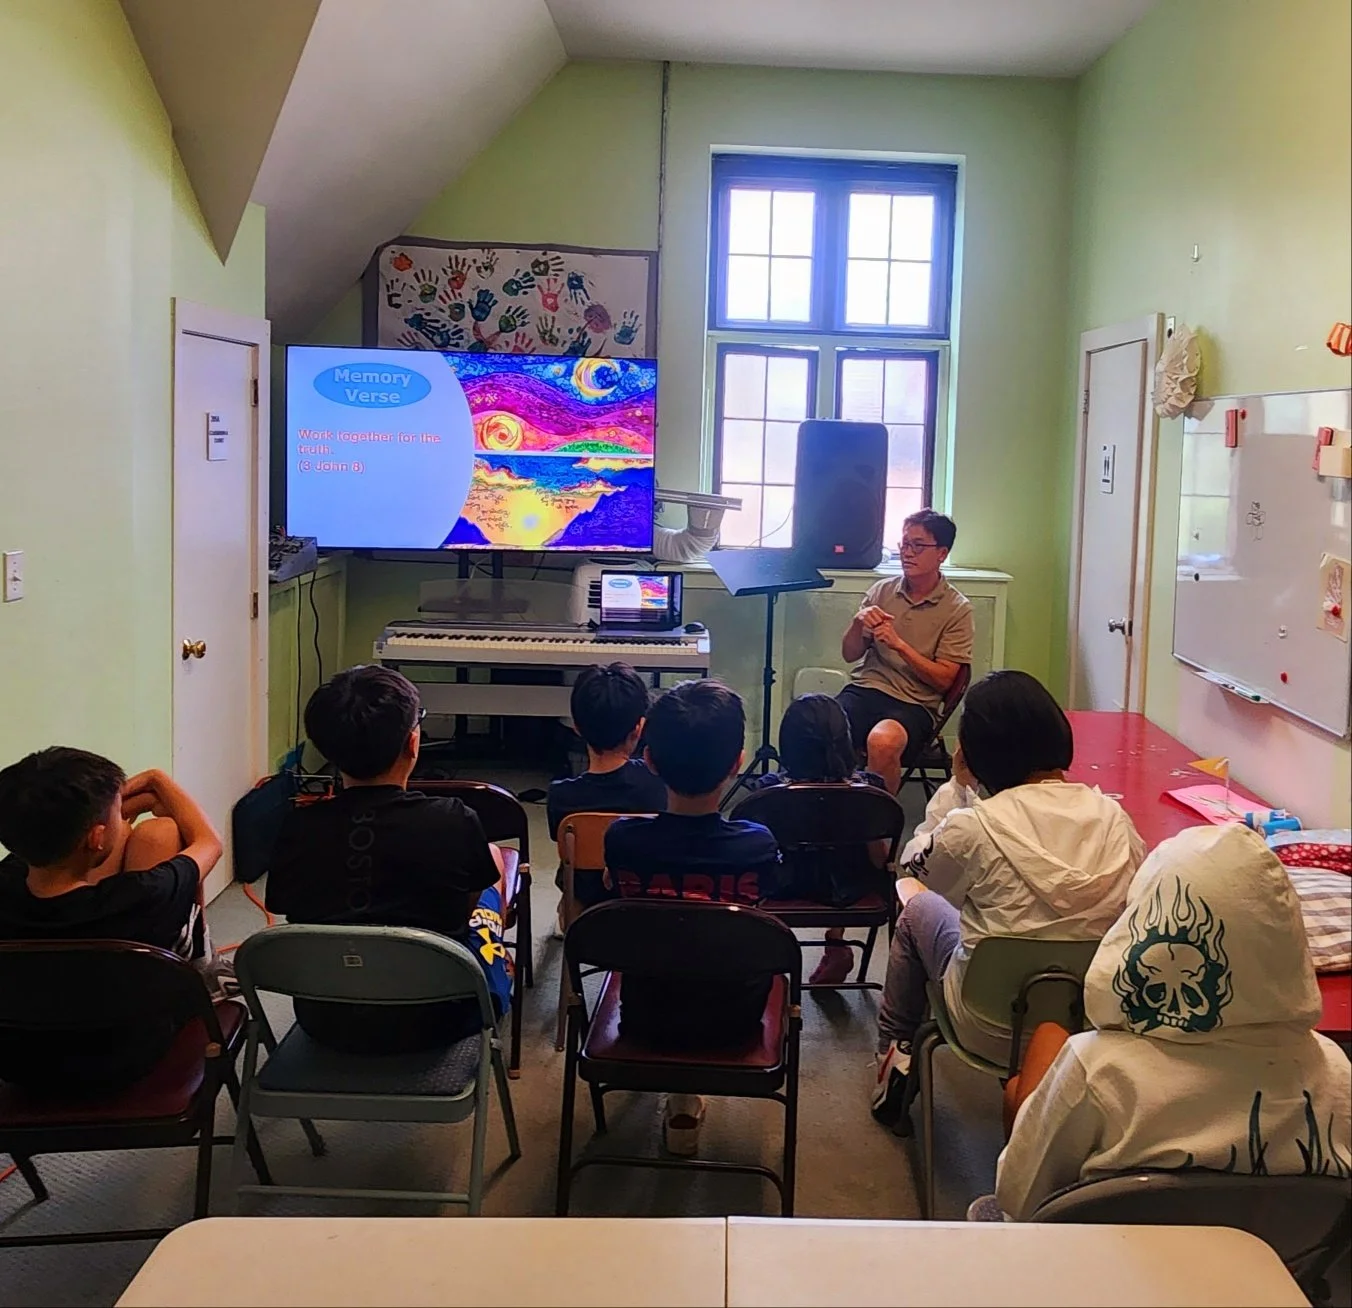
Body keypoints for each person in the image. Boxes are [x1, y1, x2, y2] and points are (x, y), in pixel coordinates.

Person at [992, 823, 1352, 1220]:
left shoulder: (1097, 1069)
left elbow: (1018, 1195)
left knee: (1032, 1069)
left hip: (1110, 1257)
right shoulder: (1335, 1071)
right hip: (1276, 1257)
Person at [871, 669, 1145, 1122]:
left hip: (988, 1021)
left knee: (916, 907)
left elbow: (917, 865)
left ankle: (895, 1056)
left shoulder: (975, 826)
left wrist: (960, 789)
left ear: (976, 753)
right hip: (1084, 1019)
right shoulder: (1116, 820)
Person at [267, 665, 510, 1055]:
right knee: (495, 866)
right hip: (440, 1017)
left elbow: (289, 910)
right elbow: (462, 911)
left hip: (326, 1017)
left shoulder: (297, 827)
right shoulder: (453, 819)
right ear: (413, 742)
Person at [605, 679, 783, 1156]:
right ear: (737, 762)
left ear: (649, 760)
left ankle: (681, 1095)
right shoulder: (758, 844)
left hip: (643, 1018)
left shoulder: (622, 839)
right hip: (737, 1022)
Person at [0, 748, 224, 1090]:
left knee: (154, 831)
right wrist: (157, 780)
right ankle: (206, 967)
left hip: (19, 1064)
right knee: (164, 831)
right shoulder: (143, 898)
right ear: (97, 837)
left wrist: (110, 809)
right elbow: (209, 842)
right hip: (127, 1059)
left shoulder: (8, 879)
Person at [742, 693, 889, 986]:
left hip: (786, 886)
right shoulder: (870, 790)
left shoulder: (769, 792)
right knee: (847, 863)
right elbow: (880, 859)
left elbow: (759, 852)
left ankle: (773, 958)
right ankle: (836, 940)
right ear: (845, 741)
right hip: (850, 889)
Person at [838, 509, 974, 794]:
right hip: (865, 689)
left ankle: (878, 822)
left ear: (942, 553)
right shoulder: (882, 591)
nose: (907, 553)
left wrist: (899, 645)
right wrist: (857, 623)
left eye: (918, 545)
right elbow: (849, 655)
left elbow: (945, 681)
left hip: (914, 703)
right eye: (905, 544)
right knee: (816, 723)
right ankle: (827, 809)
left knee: (882, 741)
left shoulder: (957, 609)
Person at [547, 662, 668, 909]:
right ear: (639, 728)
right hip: (648, 907)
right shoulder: (661, 785)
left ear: (576, 727)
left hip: (589, 911)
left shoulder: (561, 796)